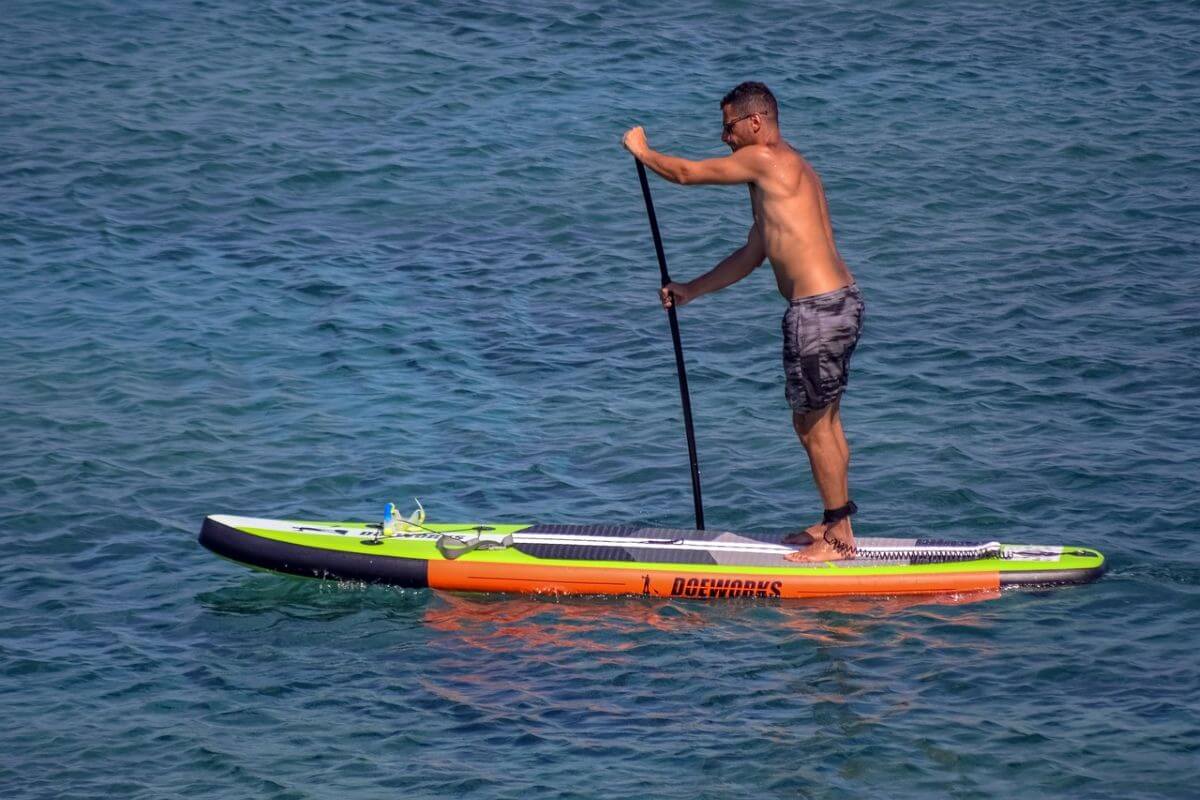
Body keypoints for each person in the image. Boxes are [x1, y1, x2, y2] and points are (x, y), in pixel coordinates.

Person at [622, 81, 864, 562]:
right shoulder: (786, 173)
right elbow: (754, 254)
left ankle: (840, 539)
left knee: (815, 425)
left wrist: (643, 151)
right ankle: (836, 521)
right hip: (838, 303)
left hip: (816, 311)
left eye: (728, 126)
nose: (723, 137)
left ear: (756, 122)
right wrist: (692, 289)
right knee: (820, 421)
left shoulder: (767, 158)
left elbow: (689, 174)